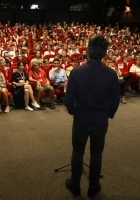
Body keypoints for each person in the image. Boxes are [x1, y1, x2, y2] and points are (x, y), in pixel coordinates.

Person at [65, 36, 120, 199]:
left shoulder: (77, 71)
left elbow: (69, 97)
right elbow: (115, 99)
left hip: (81, 119)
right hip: (101, 120)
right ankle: (93, 187)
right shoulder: (111, 73)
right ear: (104, 53)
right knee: (97, 154)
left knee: (77, 153)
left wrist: (73, 111)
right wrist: (108, 114)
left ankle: (75, 185)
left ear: (88, 50)